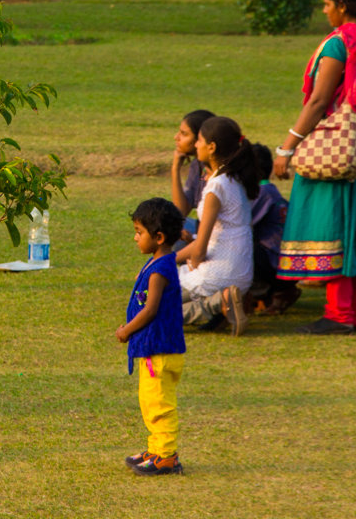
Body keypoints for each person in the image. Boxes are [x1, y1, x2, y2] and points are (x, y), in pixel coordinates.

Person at [274, 0, 356, 334]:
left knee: (337, 221)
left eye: (327, 4)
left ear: (342, 6)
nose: (324, 11)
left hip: (342, 143)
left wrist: (287, 147)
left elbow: (319, 101)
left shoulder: (340, 44)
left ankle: (340, 314)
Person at [116, 198, 185, 476]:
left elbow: (150, 309)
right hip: (152, 350)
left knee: (159, 404)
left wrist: (127, 329)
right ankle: (156, 449)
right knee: (149, 400)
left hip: (160, 350)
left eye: (138, 232)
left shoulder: (160, 270)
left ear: (158, 237)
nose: (135, 238)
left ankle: (167, 456)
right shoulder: (156, 262)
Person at [174, 116, 259, 337]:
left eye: (199, 140)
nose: (195, 145)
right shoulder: (234, 180)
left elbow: (200, 250)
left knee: (146, 304)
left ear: (211, 147)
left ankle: (218, 304)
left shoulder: (216, 188)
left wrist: (158, 263)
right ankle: (221, 305)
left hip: (220, 274)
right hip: (241, 273)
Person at [245, 144, 298, 316]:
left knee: (239, 245)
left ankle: (270, 293)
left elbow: (239, 224)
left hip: (278, 265)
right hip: (287, 263)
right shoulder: (270, 190)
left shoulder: (261, 193)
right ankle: (271, 293)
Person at [169, 108, 216, 249]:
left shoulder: (221, 174)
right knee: (165, 226)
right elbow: (180, 212)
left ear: (200, 139)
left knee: (169, 232)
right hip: (203, 230)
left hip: (218, 236)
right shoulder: (197, 165)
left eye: (184, 134)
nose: (176, 137)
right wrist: (175, 168)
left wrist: (193, 239)